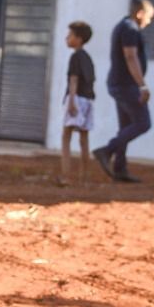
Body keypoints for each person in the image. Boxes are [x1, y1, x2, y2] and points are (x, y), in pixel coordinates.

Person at [93, 0, 154, 182]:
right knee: (143, 123)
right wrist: (142, 85)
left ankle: (120, 168)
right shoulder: (130, 28)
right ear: (140, 14)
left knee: (126, 128)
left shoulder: (123, 26)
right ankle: (107, 151)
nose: (149, 22)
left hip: (119, 83)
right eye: (149, 17)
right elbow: (130, 56)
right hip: (126, 85)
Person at [58, 20, 95, 185]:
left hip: (76, 99)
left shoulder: (75, 57)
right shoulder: (88, 58)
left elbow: (74, 79)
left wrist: (71, 101)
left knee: (66, 137)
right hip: (88, 100)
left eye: (70, 35)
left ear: (79, 39)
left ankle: (66, 176)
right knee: (84, 138)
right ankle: (84, 177)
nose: (67, 38)